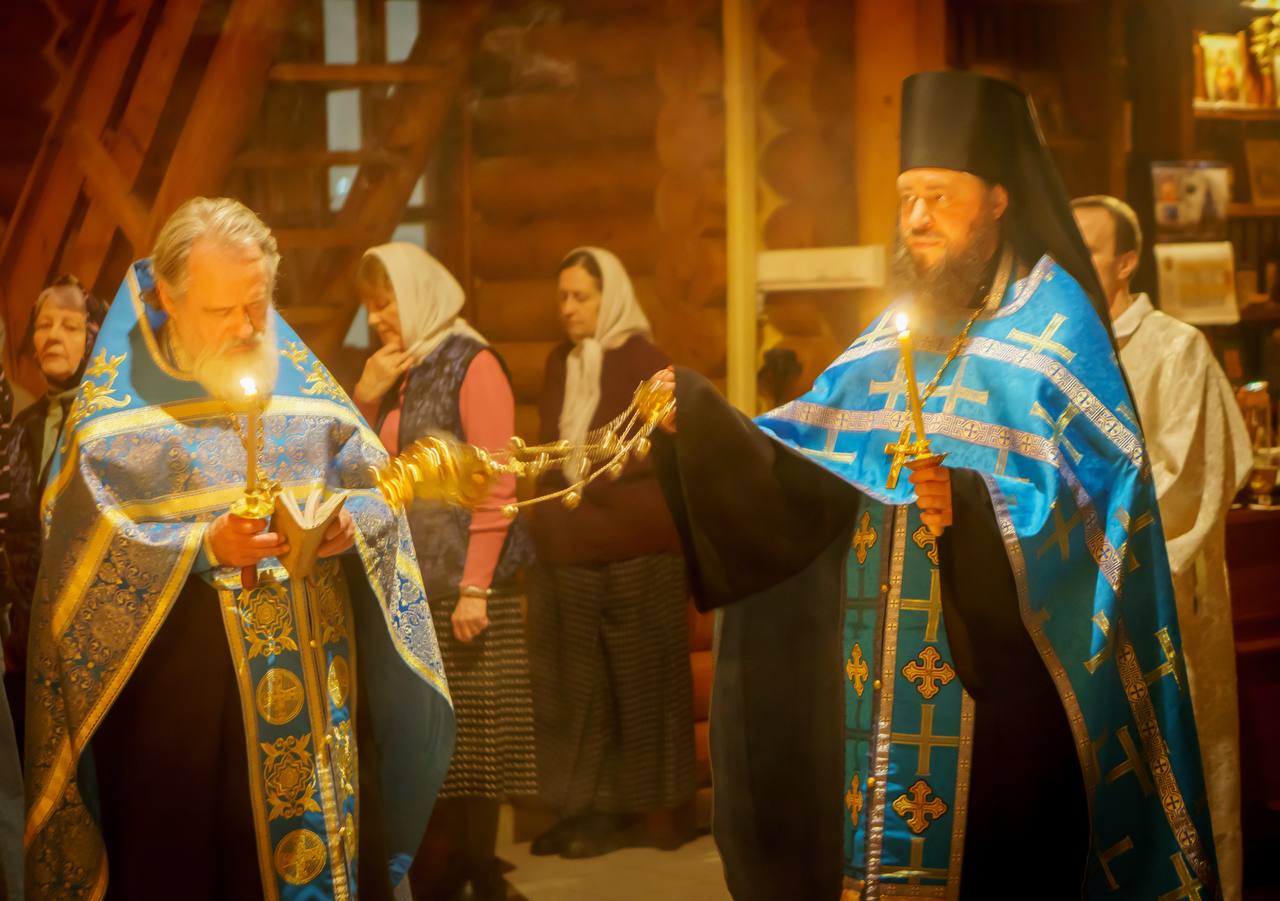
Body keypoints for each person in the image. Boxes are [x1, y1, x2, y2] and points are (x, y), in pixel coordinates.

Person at [648, 71, 1220, 900]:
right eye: (907, 198)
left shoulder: (1057, 329)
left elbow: (1099, 507)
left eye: (939, 198)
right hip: (875, 696)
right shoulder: (895, 330)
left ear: (997, 199)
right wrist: (702, 423)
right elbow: (807, 468)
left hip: (996, 700)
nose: (916, 218)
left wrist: (980, 513)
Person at [25, 197, 455, 900]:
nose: (248, 326)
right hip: (191, 723)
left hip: (321, 708)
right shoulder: (112, 424)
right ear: (168, 298)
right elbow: (78, 560)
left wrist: (350, 523)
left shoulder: (308, 396)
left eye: (258, 304)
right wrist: (200, 545)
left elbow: (377, 491)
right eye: (222, 310)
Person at [1074, 194, 1251, 901]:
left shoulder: (1176, 348)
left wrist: (1090, 542)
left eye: (1088, 249)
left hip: (1158, 595)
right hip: (1077, 602)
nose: (1071, 263)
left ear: (1126, 261)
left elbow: (1187, 477)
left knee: (1182, 763)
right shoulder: (1057, 352)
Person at [352, 243, 536, 901]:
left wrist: (476, 585)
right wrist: (364, 394)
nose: (376, 318)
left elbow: (495, 480)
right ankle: (439, 872)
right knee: (425, 734)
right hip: (411, 581)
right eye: (371, 306)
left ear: (418, 295)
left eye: (386, 303)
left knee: (475, 740)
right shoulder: (397, 370)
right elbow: (357, 461)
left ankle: (476, 871)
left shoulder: (470, 362)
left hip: (466, 584)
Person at [526, 247, 695, 859]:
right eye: (563, 297)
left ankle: (648, 815)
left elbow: (664, 451)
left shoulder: (645, 362)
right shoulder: (560, 362)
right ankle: (583, 811)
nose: (569, 308)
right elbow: (552, 449)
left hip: (637, 550)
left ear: (609, 297)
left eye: (582, 296)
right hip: (568, 551)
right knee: (576, 690)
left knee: (643, 685)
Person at [3, 276, 109, 751]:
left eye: (68, 326)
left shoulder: (105, 427)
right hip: (26, 639)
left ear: (93, 336)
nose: (51, 336)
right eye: (43, 325)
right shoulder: (20, 427)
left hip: (88, 634)